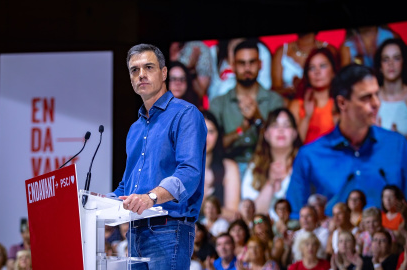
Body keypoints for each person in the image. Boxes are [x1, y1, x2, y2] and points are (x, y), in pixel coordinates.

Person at [109, 44, 207, 270]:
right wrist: (98, 201)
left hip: (168, 230)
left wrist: (150, 197)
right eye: (134, 70)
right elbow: (127, 185)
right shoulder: (135, 129)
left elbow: (189, 173)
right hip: (134, 233)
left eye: (148, 67)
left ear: (164, 73)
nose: (141, 74)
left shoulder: (185, 114)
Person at [286, 63, 407, 219]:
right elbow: (294, 218)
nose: (376, 103)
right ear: (342, 103)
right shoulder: (309, 156)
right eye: (366, 98)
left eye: (376, 94)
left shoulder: (396, 145)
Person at [210, 40, 284, 177]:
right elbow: (212, 147)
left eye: (252, 62)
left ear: (260, 64)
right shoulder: (218, 103)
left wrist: (257, 118)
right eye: (242, 63)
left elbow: (282, 144)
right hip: (229, 171)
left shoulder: (275, 101)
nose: (247, 68)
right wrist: (241, 129)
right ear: (233, 66)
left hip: (267, 168)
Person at [241, 107, 302, 217]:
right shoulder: (254, 167)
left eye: (286, 126)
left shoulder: (304, 164)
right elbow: (250, 215)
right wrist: (271, 183)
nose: (281, 130)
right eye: (275, 126)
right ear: (266, 134)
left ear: (295, 133)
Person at [288, 47, 339, 144]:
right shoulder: (297, 105)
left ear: (333, 72)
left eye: (323, 66)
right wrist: (307, 117)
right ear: (307, 75)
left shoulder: (341, 103)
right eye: (312, 68)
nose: (317, 72)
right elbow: (293, 145)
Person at [271, 32, 337, 100]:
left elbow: (337, 84)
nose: (317, 71)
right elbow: (275, 91)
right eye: (312, 67)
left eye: (322, 65)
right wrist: (292, 90)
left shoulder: (330, 50)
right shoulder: (282, 52)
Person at [202, 110, 241, 220]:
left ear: (218, 135)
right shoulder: (176, 166)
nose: (205, 137)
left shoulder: (229, 167)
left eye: (211, 131)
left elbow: (234, 215)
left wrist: (204, 205)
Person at [208, 38, 272, 102]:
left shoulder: (261, 50)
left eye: (252, 62)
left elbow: (265, 87)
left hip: (257, 103)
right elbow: (213, 95)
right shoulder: (214, 52)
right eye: (241, 62)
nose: (247, 68)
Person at [374, 38, 407, 141]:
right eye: (385, 59)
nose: (390, 63)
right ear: (380, 66)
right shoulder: (372, 97)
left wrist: (399, 140)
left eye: (396, 58)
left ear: (403, 62)